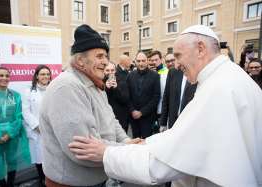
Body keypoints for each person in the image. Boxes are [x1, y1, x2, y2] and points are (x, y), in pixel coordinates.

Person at [69, 25, 262, 187]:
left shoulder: (219, 88)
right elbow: (181, 137)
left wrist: (107, 153)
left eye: (178, 56)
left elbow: (163, 164)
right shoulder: (228, 77)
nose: (176, 65)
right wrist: (147, 143)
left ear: (201, 48)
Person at [39, 24, 139, 187]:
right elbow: (83, 151)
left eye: (106, 56)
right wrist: (126, 151)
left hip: (97, 178)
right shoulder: (67, 87)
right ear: (80, 60)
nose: (106, 62)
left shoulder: (95, 84)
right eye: (99, 56)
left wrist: (126, 142)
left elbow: (111, 121)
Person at [0, 67, 30, 187]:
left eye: (7, 76)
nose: (4, 78)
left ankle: (10, 184)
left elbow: (18, 117)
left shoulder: (16, 96)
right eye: (1, 75)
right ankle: (2, 184)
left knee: (12, 161)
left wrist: (9, 134)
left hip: (11, 135)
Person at [22, 65, 52, 186]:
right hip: (37, 130)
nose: (45, 76)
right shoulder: (28, 91)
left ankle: (51, 179)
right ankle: (42, 179)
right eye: (42, 74)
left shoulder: (54, 89)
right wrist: (37, 126)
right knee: (39, 156)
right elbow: (25, 111)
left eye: (47, 74)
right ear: (37, 76)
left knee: (51, 156)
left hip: (52, 129)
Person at [127, 51, 160, 138]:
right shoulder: (130, 75)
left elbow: (156, 97)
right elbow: (127, 96)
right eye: (138, 61)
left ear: (147, 61)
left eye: (143, 60)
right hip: (133, 117)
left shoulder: (155, 76)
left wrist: (142, 112)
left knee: (146, 143)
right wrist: (132, 110)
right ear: (135, 61)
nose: (141, 63)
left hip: (148, 117)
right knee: (135, 143)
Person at [104, 59, 130, 133]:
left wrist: (116, 88)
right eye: (107, 70)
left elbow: (125, 100)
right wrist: (106, 89)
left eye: (112, 70)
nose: (110, 72)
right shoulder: (100, 83)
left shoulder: (122, 82)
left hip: (120, 118)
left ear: (115, 71)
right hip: (106, 119)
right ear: (104, 71)